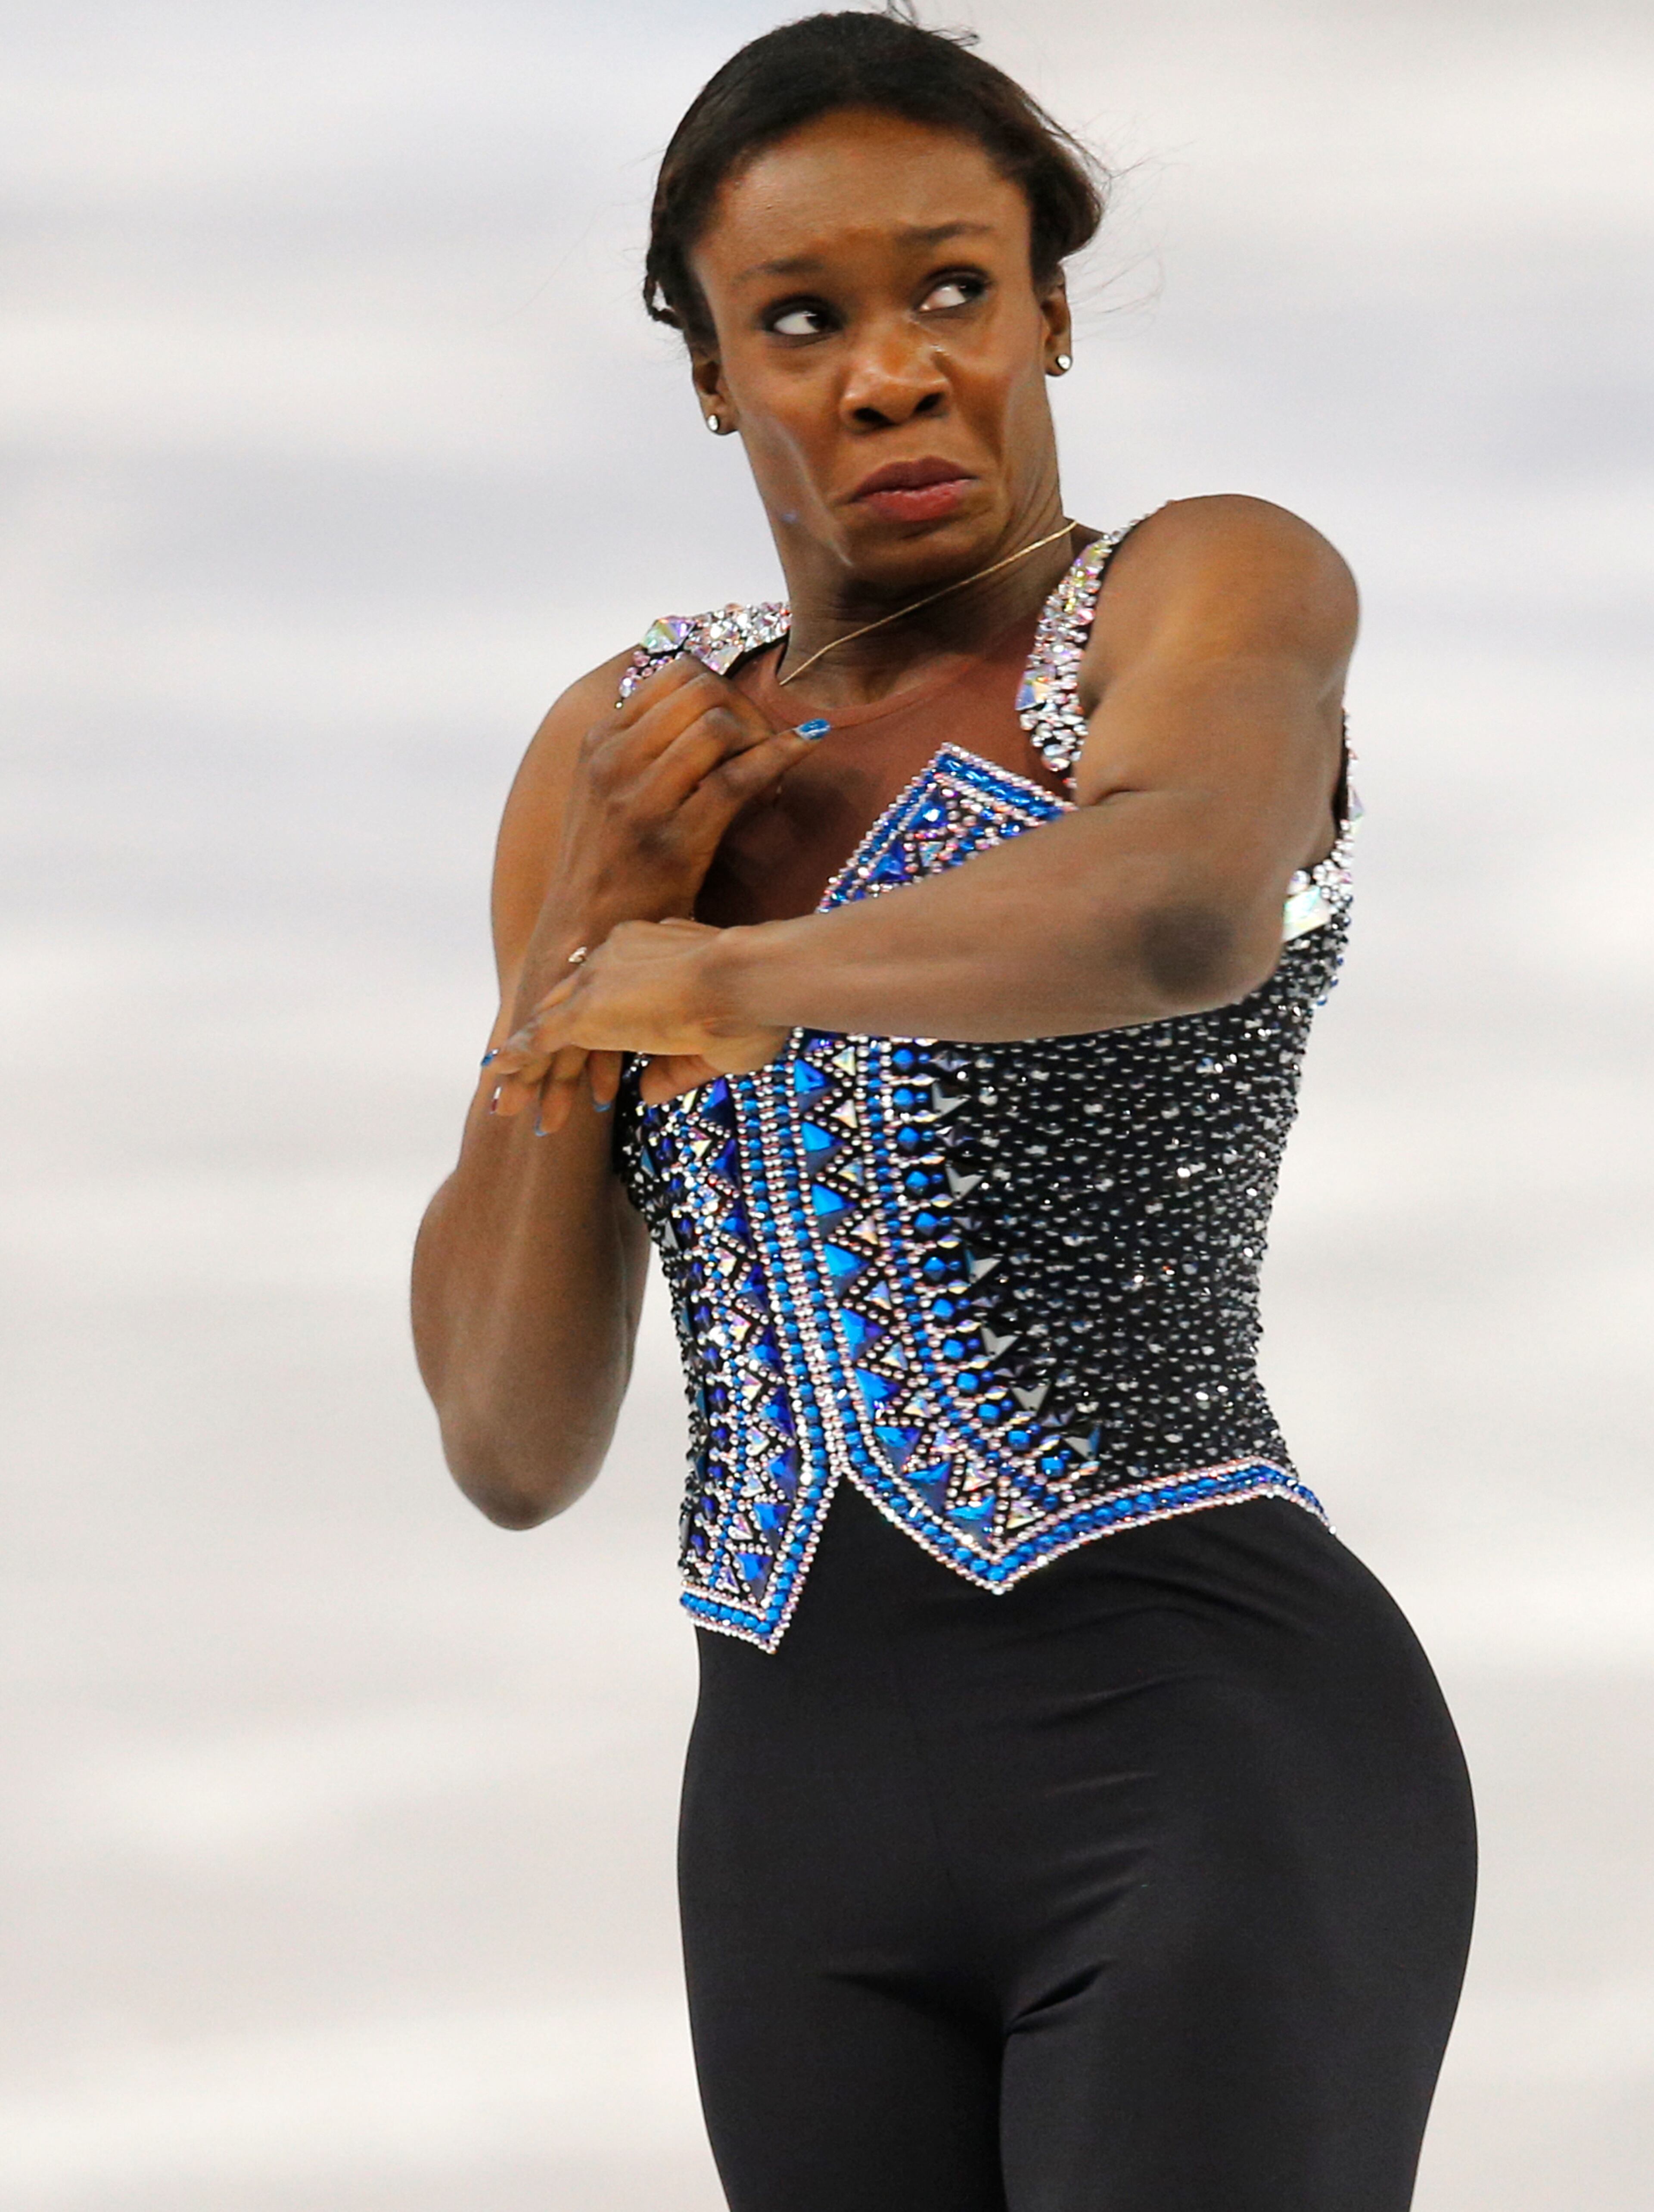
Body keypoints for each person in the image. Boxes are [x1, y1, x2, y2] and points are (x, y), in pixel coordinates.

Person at [411, 12, 1476, 2208]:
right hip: (788, 1836)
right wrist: (588, 940)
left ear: (1052, 307)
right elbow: (515, 1441)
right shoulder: (622, 751)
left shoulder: (1197, 593)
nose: (891, 371)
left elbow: (1183, 908)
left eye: (953, 292)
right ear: (712, 373)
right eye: (800, 321)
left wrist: (721, 971)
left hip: (1196, 1752)